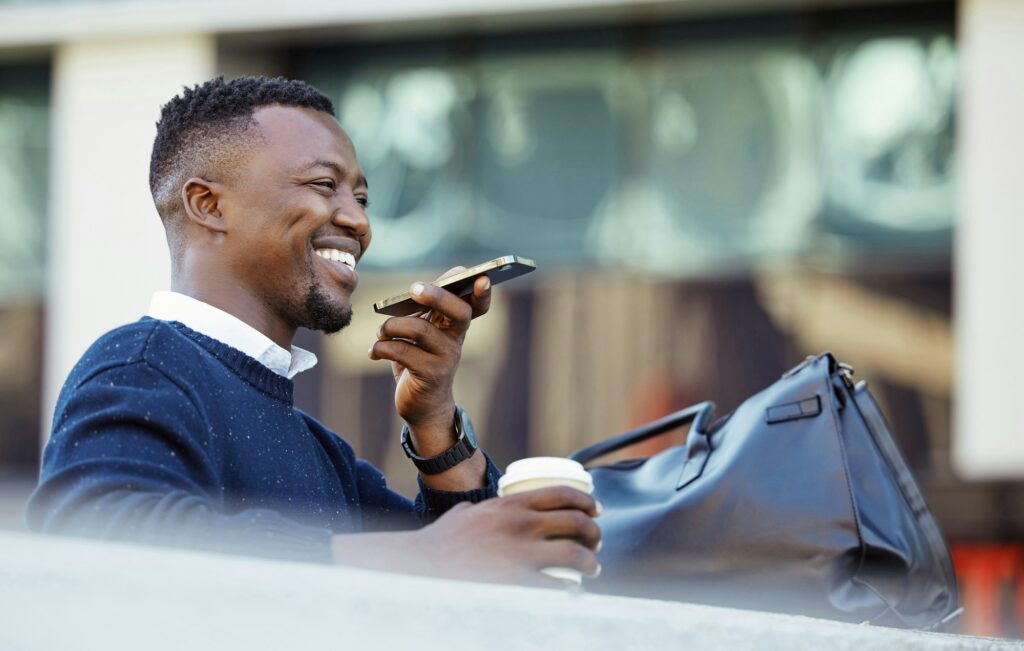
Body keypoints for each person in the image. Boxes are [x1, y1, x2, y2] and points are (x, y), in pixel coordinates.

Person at [26, 76, 600, 586]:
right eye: (324, 185)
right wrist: (423, 556)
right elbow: (98, 540)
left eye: (362, 196)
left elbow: (460, 581)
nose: (359, 220)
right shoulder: (141, 366)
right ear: (207, 205)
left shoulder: (321, 451)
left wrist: (435, 425)